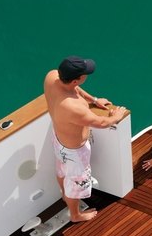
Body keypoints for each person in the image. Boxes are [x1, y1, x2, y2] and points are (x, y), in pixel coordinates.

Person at [44, 56, 126, 222]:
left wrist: (93, 100)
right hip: (75, 152)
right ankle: (75, 215)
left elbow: (75, 90)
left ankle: (64, 196)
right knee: (76, 184)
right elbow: (101, 122)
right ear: (76, 79)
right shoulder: (72, 107)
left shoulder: (52, 76)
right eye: (84, 74)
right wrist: (116, 116)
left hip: (59, 141)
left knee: (62, 171)